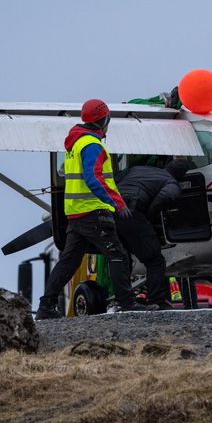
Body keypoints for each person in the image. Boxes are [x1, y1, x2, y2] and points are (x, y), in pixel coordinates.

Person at [36, 99, 153, 319]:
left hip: (76, 213)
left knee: (68, 262)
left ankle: (45, 307)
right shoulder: (92, 145)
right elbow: (94, 179)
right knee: (118, 254)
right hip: (93, 211)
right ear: (105, 119)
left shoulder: (76, 144)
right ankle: (126, 303)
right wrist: (118, 203)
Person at [115, 159, 190, 310]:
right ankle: (157, 300)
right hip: (132, 213)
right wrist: (149, 215)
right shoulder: (171, 182)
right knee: (155, 260)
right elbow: (166, 196)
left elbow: (116, 178)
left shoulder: (136, 168)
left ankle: (123, 301)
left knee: (121, 258)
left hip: (112, 211)